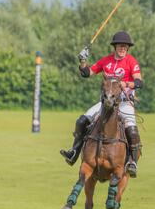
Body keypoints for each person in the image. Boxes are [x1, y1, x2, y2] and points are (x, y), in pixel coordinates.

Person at [60, 31, 144, 178]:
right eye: (120, 46)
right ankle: (74, 152)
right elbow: (87, 73)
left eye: (125, 46)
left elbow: (139, 82)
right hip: (105, 104)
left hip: (124, 103)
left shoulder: (131, 61)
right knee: (81, 121)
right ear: (115, 47)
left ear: (128, 48)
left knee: (132, 131)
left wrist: (126, 83)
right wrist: (82, 62)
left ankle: (132, 161)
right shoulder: (106, 61)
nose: (122, 49)